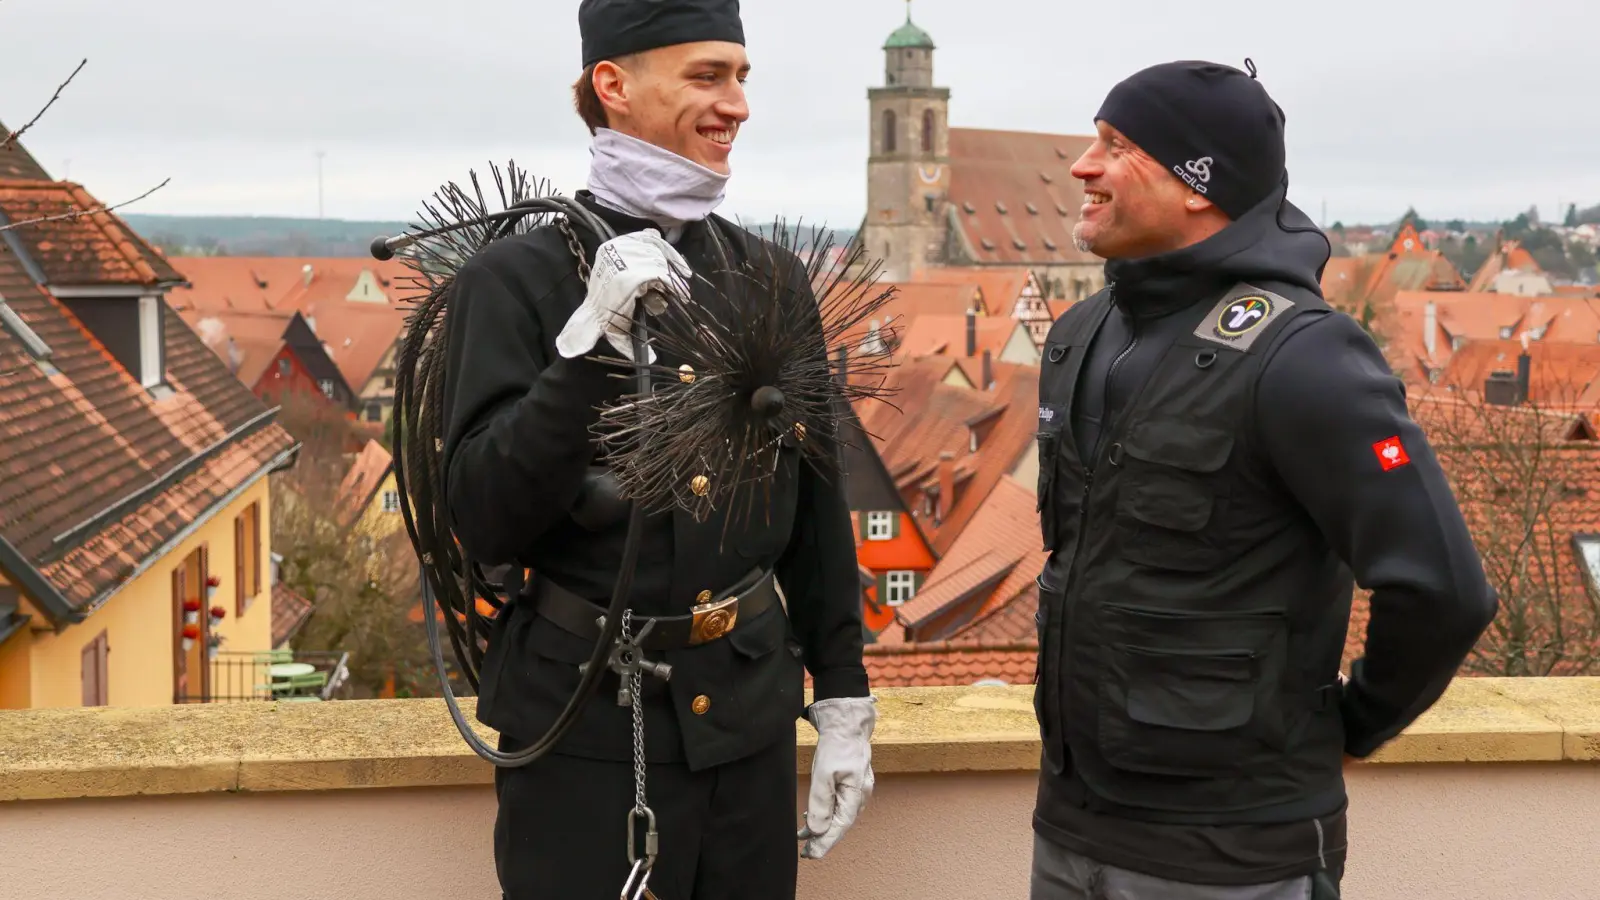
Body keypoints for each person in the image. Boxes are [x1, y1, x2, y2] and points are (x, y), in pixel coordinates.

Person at [438, 2, 877, 898]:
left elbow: (814, 506)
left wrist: (842, 697)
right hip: (583, 728)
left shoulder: (768, 278)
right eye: (707, 76)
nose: (738, 105)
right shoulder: (513, 281)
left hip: (748, 727)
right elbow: (483, 515)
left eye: (743, 78)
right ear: (614, 85)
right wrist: (583, 347)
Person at [1029, 59, 1497, 899]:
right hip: (1069, 831)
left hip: (1236, 854)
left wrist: (1352, 727)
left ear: (1198, 184)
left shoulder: (1305, 355)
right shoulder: (1078, 334)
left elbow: (1443, 588)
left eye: (1117, 146)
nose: (1082, 166)